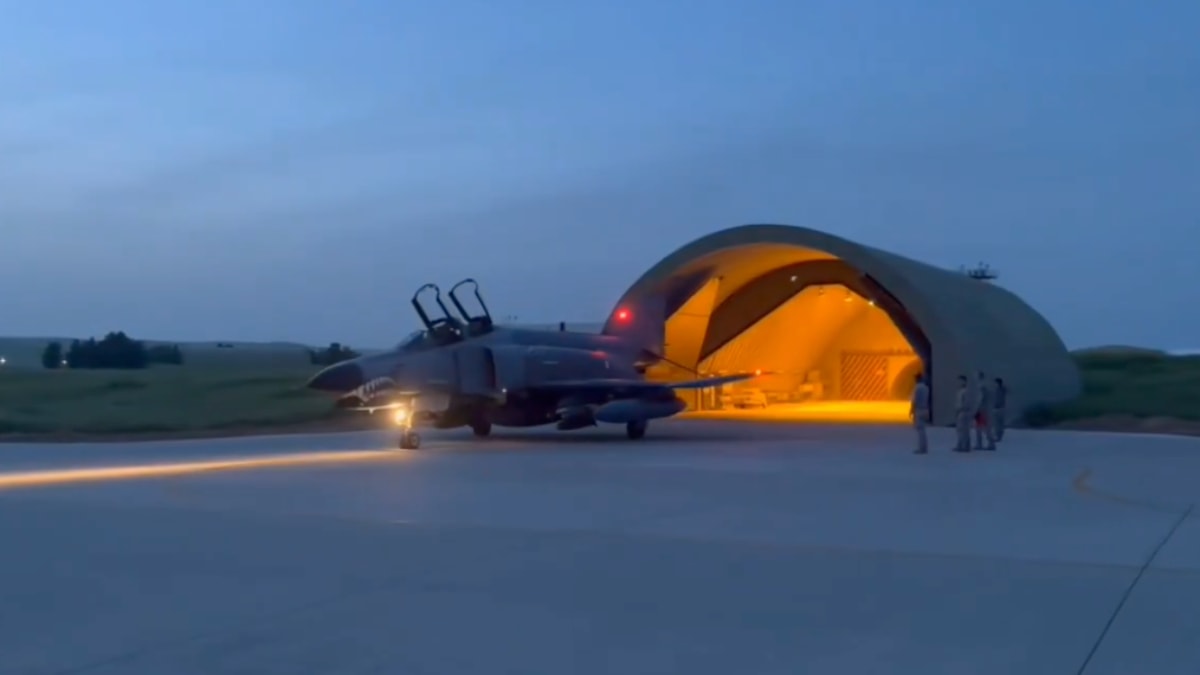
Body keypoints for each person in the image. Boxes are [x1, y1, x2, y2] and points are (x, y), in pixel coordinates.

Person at [974, 371, 997, 451]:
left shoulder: (981, 386)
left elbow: (980, 399)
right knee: (982, 427)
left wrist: (977, 409)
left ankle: (987, 443)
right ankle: (985, 443)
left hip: (982, 410)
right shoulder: (986, 385)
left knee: (982, 427)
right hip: (985, 410)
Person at [909, 373, 930, 454]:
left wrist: (911, 410)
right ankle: (924, 447)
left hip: (919, 410)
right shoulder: (926, 388)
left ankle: (921, 448)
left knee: (920, 430)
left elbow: (914, 401)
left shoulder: (917, 388)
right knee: (923, 430)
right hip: (925, 409)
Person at [953, 375, 971, 452]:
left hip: (963, 412)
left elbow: (966, 403)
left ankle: (964, 446)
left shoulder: (965, 391)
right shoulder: (960, 391)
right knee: (961, 429)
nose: (958, 383)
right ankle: (961, 445)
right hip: (960, 411)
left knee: (963, 430)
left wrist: (961, 409)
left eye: (960, 381)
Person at [993, 377, 1008, 441]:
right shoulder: (998, 390)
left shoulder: (1001, 390)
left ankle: (998, 436)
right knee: (997, 423)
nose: (994, 384)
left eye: (995, 383)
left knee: (999, 423)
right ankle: (998, 435)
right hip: (998, 408)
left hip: (1000, 407)